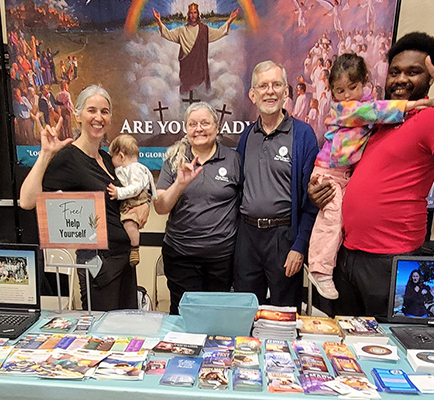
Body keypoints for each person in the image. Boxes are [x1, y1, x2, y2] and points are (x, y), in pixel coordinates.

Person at [308, 32, 434, 320]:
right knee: (346, 349)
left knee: (384, 350)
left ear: (429, 79)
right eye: (395, 72)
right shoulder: (380, 119)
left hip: (390, 261)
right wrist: (319, 192)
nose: (401, 79)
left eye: (413, 72)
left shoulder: (432, 117)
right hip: (348, 255)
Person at [19, 85, 148, 311]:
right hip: (99, 267)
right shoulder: (69, 158)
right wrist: (46, 154)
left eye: (104, 111)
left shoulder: (107, 159)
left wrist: (142, 206)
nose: (98, 117)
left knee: (125, 332)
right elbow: (27, 201)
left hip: (125, 261)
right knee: (102, 336)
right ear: (77, 115)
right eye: (92, 110)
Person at [308, 53, 417, 300]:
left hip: (346, 173)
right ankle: (319, 268)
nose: (346, 96)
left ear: (364, 82)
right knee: (332, 218)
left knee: (344, 219)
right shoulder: (345, 110)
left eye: (352, 88)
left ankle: (329, 266)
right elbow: (375, 111)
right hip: (328, 171)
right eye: (339, 90)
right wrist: (413, 106)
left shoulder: (366, 104)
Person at [233, 60, 318, 311]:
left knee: (285, 313)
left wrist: (299, 247)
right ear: (253, 94)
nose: (270, 91)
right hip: (247, 238)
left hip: (284, 239)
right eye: (263, 86)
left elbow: (312, 200)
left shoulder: (303, 135)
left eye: (276, 85)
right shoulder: (247, 136)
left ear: (286, 92)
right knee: (246, 312)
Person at [154, 102, 240, 315]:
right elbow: (161, 206)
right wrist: (180, 183)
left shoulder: (233, 160)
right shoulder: (174, 159)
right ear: (186, 129)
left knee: (216, 317)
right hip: (181, 256)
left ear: (217, 127)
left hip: (221, 258)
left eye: (205, 123)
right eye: (192, 124)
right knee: (185, 316)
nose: (199, 129)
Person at [152, 4, 239, 94]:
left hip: (200, 69)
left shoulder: (204, 30)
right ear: (188, 15)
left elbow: (219, 32)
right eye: (191, 13)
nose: (193, 15)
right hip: (187, 69)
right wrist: (158, 20)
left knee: (200, 94)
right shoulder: (182, 30)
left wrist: (230, 20)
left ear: (198, 14)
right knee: (186, 95)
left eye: (195, 12)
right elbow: (168, 34)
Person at [107, 134, 157, 267]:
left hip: (135, 199)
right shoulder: (133, 169)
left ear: (121, 156)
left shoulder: (135, 169)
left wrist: (119, 192)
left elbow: (135, 188)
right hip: (128, 200)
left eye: (113, 157)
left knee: (130, 222)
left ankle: (134, 248)